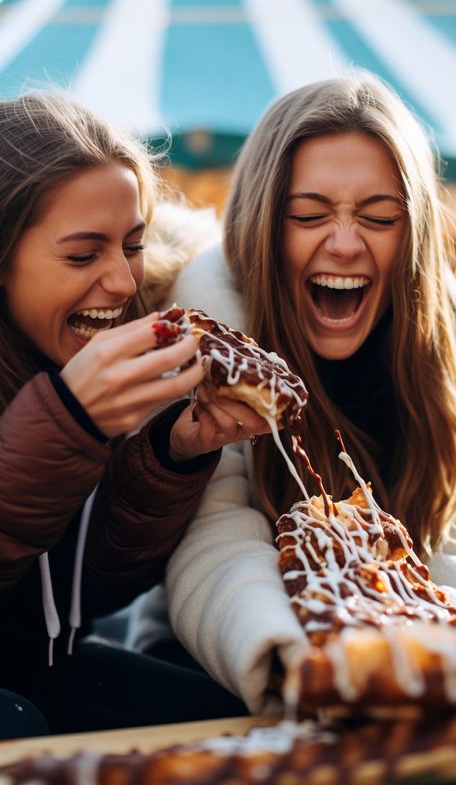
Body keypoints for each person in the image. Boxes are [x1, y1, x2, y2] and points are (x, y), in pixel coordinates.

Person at [128, 72, 456, 714]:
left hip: (400, 662)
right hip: (231, 664)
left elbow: (449, 544)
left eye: (379, 217)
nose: (344, 244)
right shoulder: (207, 325)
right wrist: (294, 661)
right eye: (309, 216)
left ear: (416, 232)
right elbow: (217, 529)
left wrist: (440, 648)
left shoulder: (449, 340)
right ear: (263, 222)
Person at [0, 92, 268, 737]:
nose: (122, 283)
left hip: (39, 661)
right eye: (83, 254)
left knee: (239, 727)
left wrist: (172, 457)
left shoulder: (104, 356)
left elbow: (84, 598)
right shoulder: (72, 390)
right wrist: (66, 420)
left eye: (133, 244)